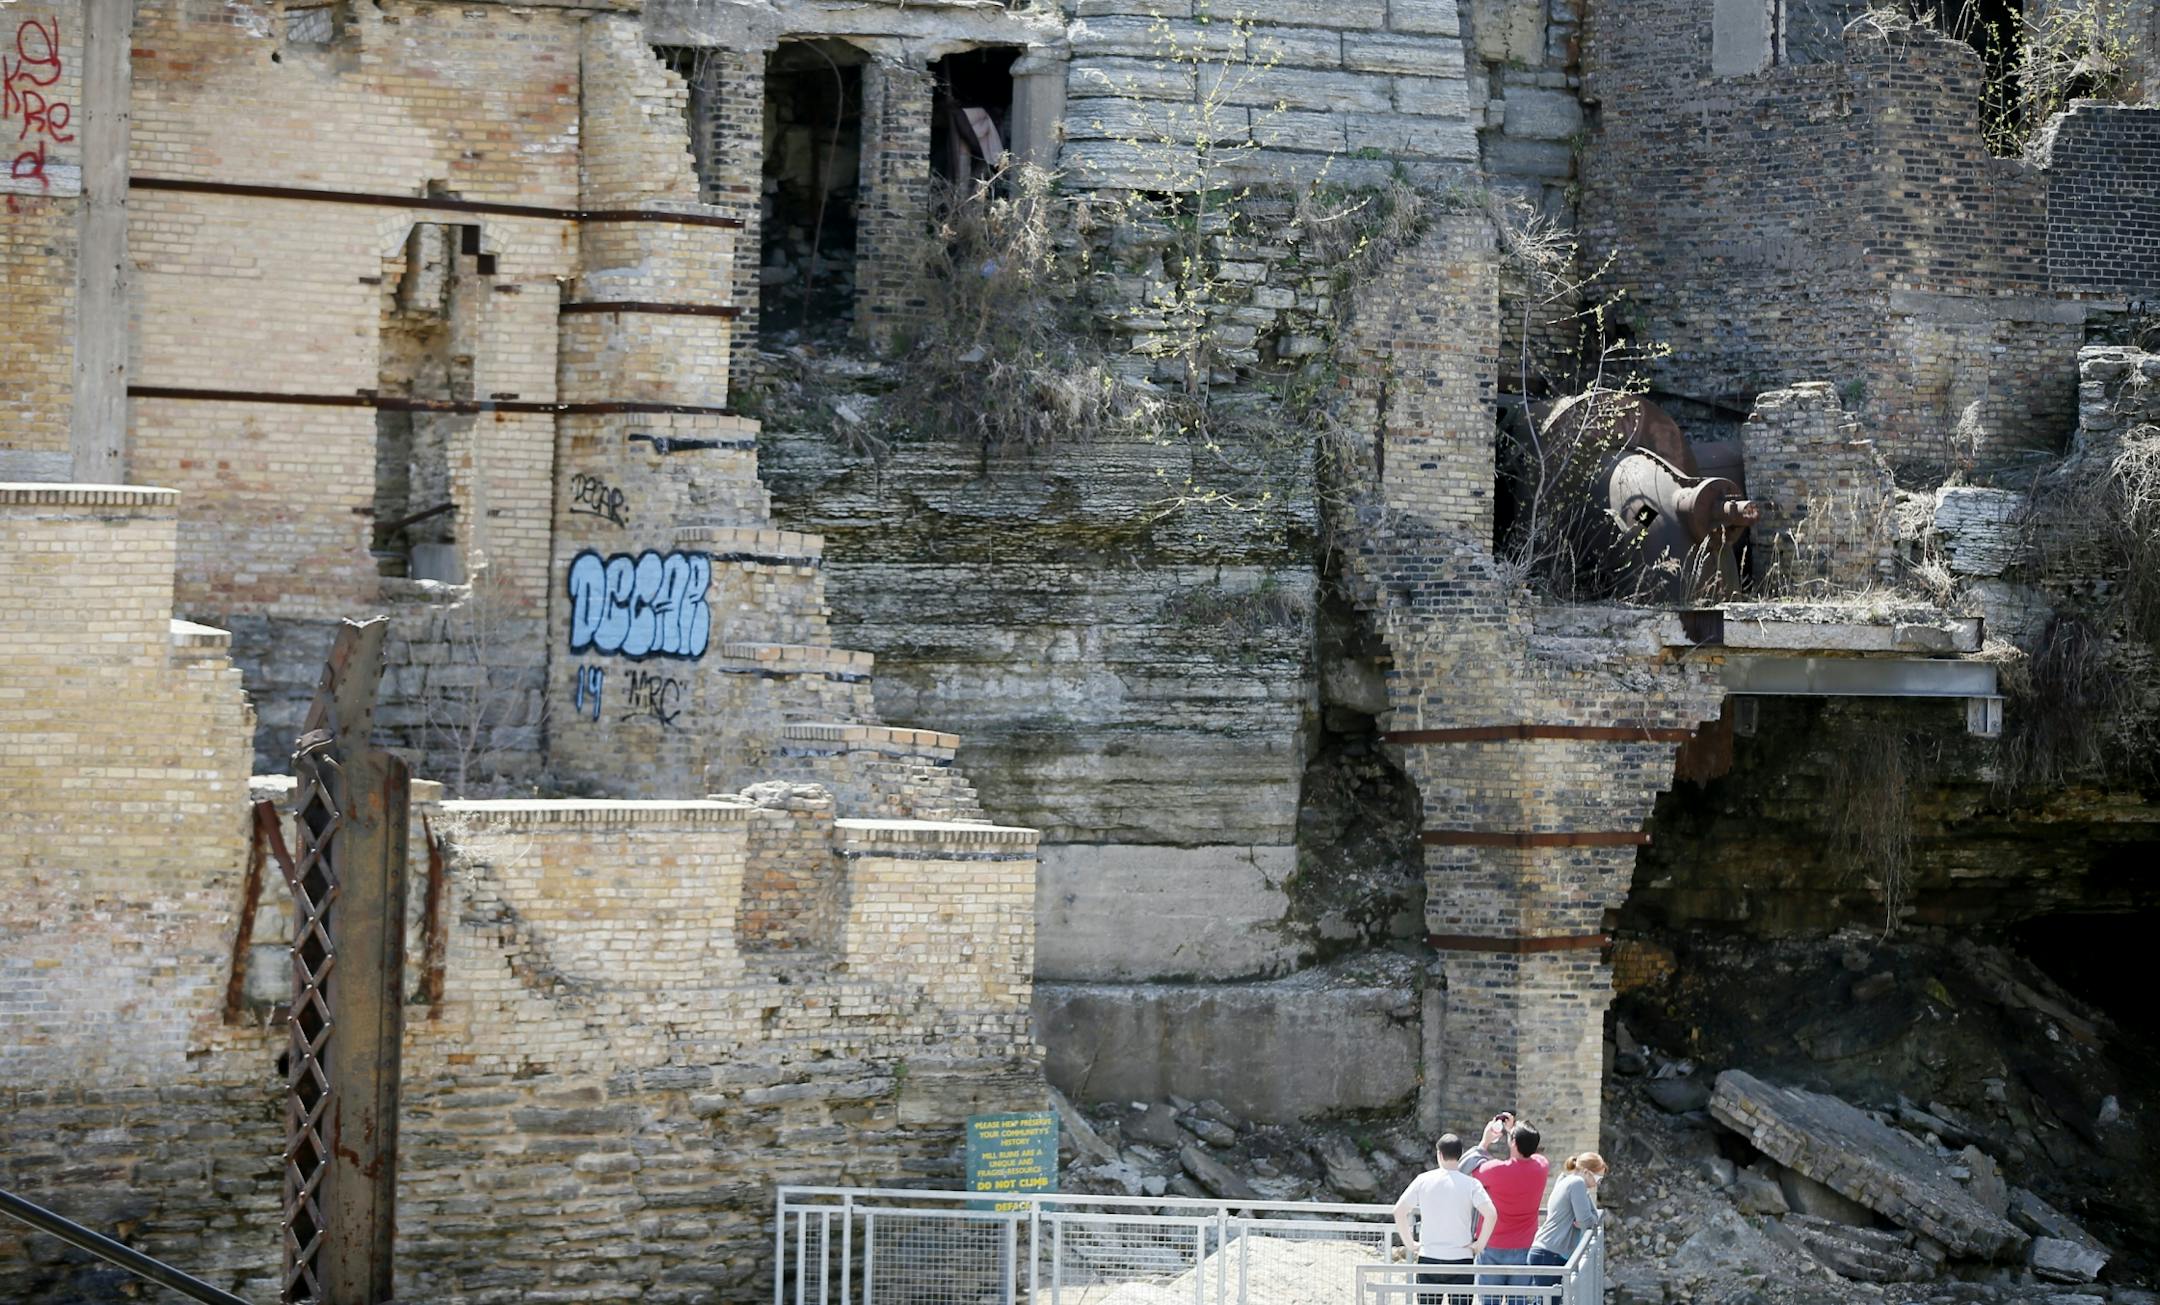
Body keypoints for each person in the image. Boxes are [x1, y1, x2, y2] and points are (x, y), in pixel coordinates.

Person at [1391, 1133, 1496, 1304]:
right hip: (1461, 1257)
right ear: (1460, 1155)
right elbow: (1491, 1214)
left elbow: (1399, 1211)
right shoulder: (1471, 1184)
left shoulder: (1423, 1180)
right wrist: (1479, 1244)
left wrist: (1410, 1244)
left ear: (1439, 1154)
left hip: (1429, 1256)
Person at [1470, 1119, 1549, 1302]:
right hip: (1524, 1246)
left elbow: (1474, 1170)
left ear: (1513, 1142)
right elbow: (1531, 1152)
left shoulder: (1495, 1170)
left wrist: (1485, 1141)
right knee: (1518, 1301)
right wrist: (1513, 1131)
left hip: (1492, 1245)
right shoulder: (1542, 1167)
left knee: (1489, 1301)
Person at [1530, 1152, 1606, 1272]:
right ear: (1586, 1172)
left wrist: (1588, 1218)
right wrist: (1587, 1219)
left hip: (1546, 1252)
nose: (1598, 1183)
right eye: (1598, 1178)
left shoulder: (1566, 1181)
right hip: (1551, 1255)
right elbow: (1587, 1222)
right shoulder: (1577, 1183)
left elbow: (1590, 1218)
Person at [1458, 1111, 1513, 1177]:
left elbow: (1465, 1166)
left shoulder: (1493, 1172)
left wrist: (1485, 1142)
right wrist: (1511, 1131)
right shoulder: (1521, 1173)